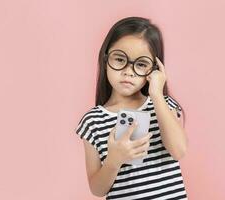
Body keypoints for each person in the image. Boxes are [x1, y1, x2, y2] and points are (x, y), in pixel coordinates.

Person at [75, 16, 189, 199]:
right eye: (120, 59)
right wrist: (114, 160)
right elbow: (97, 189)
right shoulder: (93, 121)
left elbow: (179, 150)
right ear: (105, 60)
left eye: (141, 64)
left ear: (154, 69)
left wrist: (157, 95)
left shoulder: (163, 105)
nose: (128, 71)